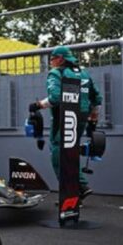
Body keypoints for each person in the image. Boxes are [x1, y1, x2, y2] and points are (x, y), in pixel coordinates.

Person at [30, 46, 102, 198]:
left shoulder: (56, 73)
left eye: (52, 59)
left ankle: (78, 187)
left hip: (63, 117)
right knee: (71, 150)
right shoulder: (84, 74)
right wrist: (93, 118)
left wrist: (38, 105)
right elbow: (96, 98)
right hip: (81, 117)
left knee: (58, 153)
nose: (50, 62)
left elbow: (55, 98)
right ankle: (79, 190)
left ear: (60, 59)